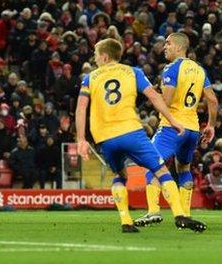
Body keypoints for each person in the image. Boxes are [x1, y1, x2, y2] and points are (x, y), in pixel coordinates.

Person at [75, 38, 197, 233]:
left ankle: (126, 221)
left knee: (120, 175)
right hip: (131, 132)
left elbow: (81, 108)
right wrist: (173, 121)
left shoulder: (90, 78)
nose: (95, 59)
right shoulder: (134, 72)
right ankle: (180, 216)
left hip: (105, 137)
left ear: (105, 57)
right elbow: (155, 97)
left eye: (96, 56)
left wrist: (81, 139)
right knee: (160, 170)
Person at [134, 32, 215, 230]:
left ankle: (153, 211)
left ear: (179, 47)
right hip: (193, 129)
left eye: (168, 43)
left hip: (172, 127)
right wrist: (211, 124)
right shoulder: (199, 70)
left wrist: (151, 93)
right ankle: (185, 215)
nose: (165, 47)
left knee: (151, 164)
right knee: (184, 169)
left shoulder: (172, 68)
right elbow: (212, 99)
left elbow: (167, 101)